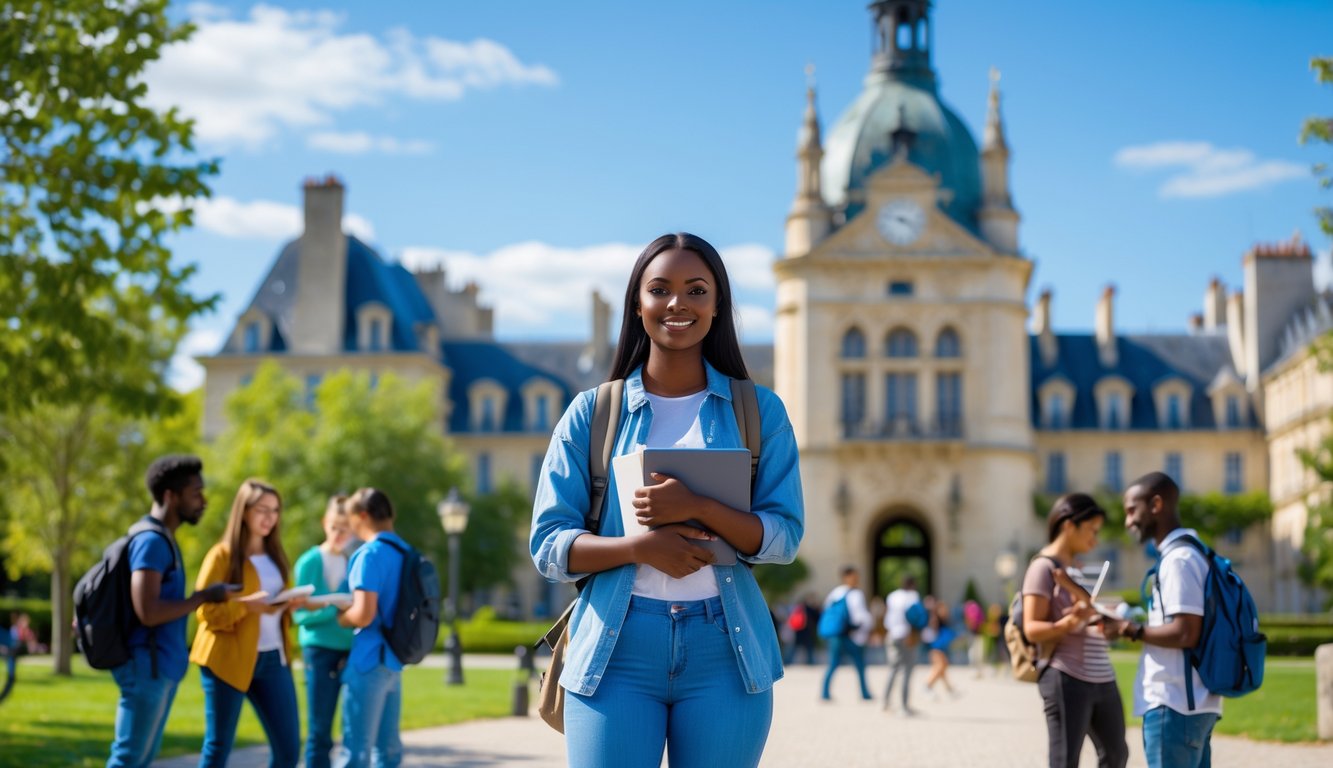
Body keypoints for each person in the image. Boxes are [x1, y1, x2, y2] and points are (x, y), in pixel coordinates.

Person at [530, 232, 805, 768]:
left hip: (726, 652)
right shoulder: (592, 413)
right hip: (616, 649)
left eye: (696, 290)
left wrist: (698, 505)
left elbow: (783, 538)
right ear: (638, 303)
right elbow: (548, 546)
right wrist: (640, 548)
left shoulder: (760, 411)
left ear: (718, 304)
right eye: (661, 289)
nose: (678, 303)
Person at [107, 454, 232, 768]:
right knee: (128, 758)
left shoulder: (165, 539)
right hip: (145, 667)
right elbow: (147, 611)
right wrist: (204, 597)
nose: (203, 501)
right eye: (195, 493)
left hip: (159, 667)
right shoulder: (151, 542)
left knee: (140, 759)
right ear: (170, 496)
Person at [1102, 473, 1221, 768]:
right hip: (1189, 704)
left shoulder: (1179, 560)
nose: (1128, 522)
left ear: (1156, 504)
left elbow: (1185, 633)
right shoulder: (1190, 552)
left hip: (1174, 704)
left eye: (1132, 510)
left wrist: (1127, 629)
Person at [191, 478, 305, 768]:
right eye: (262, 509)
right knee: (218, 749)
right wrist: (246, 607)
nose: (270, 517)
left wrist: (289, 605)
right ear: (243, 511)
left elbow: (273, 610)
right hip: (227, 659)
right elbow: (205, 611)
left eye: (275, 510)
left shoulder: (276, 556)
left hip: (273, 659)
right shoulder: (222, 555)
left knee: (289, 750)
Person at [1022, 493, 1127, 768]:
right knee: (1065, 761)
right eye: (1091, 530)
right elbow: (1032, 629)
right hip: (1066, 676)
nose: (1095, 540)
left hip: (1102, 675)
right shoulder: (1042, 568)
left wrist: (1102, 620)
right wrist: (1069, 623)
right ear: (1069, 525)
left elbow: (1085, 618)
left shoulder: (1077, 568)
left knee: (1116, 755)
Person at [335, 487, 411, 768]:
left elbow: (364, 614)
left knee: (355, 753)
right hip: (395, 661)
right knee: (388, 753)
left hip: (368, 660)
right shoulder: (406, 552)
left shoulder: (369, 554)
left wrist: (342, 617)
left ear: (362, 516)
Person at [292, 495, 356, 768]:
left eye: (346, 528)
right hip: (318, 651)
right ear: (324, 524)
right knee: (319, 728)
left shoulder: (351, 561)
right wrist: (331, 608)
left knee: (351, 725)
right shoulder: (309, 561)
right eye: (335, 527)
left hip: (348, 649)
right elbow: (299, 615)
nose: (340, 534)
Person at [820, 566, 874, 702]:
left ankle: (825, 692)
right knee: (859, 664)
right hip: (850, 635)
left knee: (833, 663)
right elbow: (860, 616)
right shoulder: (855, 594)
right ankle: (865, 692)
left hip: (836, 634)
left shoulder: (835, 593)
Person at [881, 574, 921, 714]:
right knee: (906, 671)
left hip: (892, 634)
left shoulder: (892, 596)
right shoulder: (912, 596)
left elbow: (887, 616)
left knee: (893, 669)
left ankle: (885, 702)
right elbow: (915, 617)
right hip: (907, 635)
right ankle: (904, 706)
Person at [922, 598, 957, 698]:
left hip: (940, 646)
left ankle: (949, 689)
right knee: (940, 666)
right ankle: (927, 685)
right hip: (935, 646)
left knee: (943, 666)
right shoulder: (935, 619)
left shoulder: (945, 620)